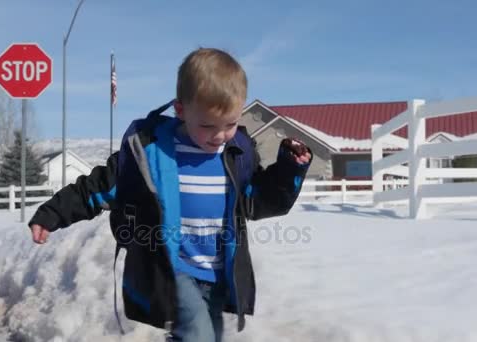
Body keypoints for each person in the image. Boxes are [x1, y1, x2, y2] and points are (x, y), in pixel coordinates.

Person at [29, 47, 312, 342]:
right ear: (181, 110)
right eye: (207, 126)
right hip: (173, 270)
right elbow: (99, 186)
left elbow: (257, 201)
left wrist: (289, 169)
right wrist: (52, 213)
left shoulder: (238, 153)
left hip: (217, 272)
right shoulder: (151, 150)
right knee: (197, 335)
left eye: (230, 124)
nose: (219, 136)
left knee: (209, 336)